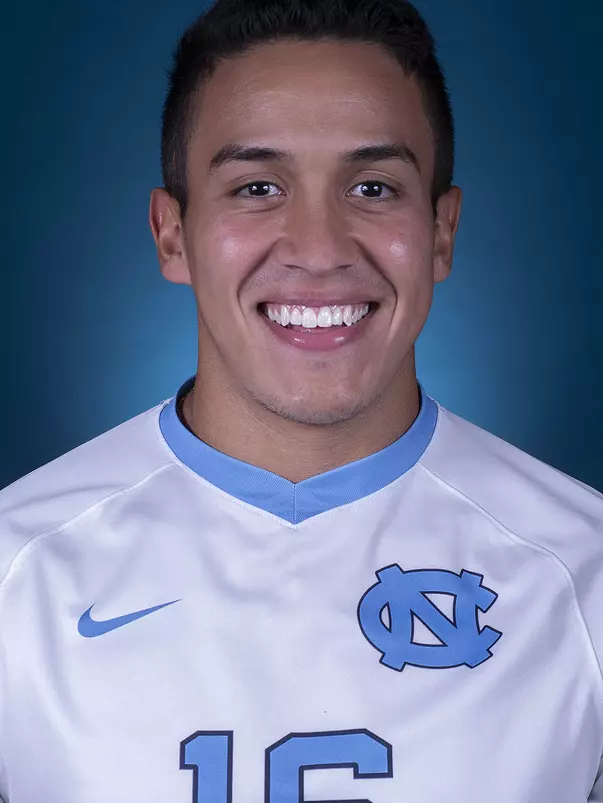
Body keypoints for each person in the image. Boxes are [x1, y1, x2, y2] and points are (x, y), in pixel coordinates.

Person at [1, 0, 602, 799]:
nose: (319, 250)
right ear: (172, 235)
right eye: (256, 186)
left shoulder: (583, 571)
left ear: (441, 233)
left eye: (372, 187)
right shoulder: (17, 571)